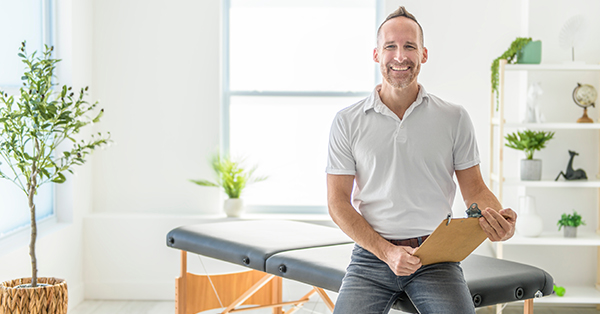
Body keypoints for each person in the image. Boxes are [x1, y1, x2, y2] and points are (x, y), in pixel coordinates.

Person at [326, 6, 517, 314]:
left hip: (436, 256)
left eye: (409, 47)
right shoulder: (348, 121)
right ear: (376, 54)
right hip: (371, 257)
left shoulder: (453, 118)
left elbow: (475, 190)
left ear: (424, 54)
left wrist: (497, 219)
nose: (400, 56)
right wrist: (387, 252)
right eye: (390, 46)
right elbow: (337, 202)